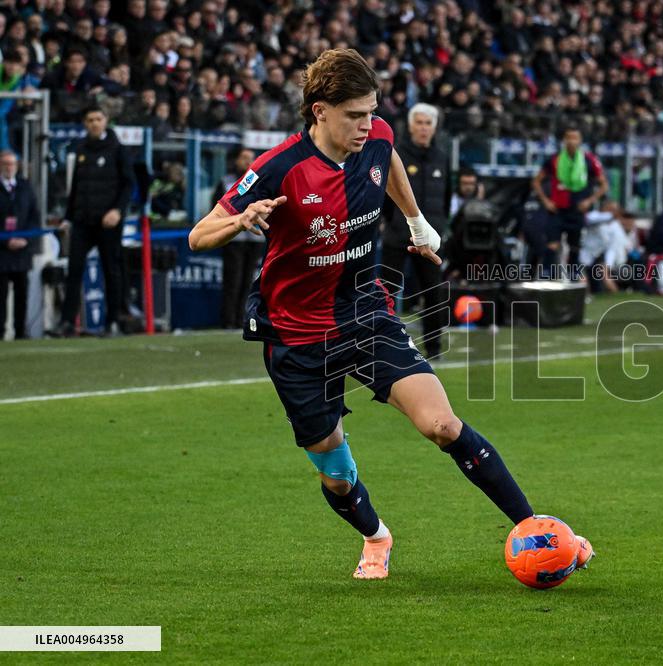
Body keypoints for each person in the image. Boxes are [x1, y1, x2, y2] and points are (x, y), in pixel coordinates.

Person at [188, 49, 592, 581]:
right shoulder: (279, 168)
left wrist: (416, 220)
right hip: (296, 334)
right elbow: (199, 235)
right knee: (333, 471)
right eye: (354, 114)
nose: (367, 123)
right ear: (319, 111)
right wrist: (242, 220)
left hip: (364, 313)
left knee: (442, 424)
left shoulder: (375, 135)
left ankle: (538, 532)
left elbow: (389, 157)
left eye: (371, 111)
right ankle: (376, 536)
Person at [378, 102, 450, 358]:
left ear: (434, 127)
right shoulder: (396, 154)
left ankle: (434, 348)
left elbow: (446, 197)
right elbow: (385, 195)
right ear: (410, 126)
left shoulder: (442, 156)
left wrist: (439, 226)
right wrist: (391, 222)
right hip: (398, 235)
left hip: (428, 239)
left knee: (434, 293)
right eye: (419, 122)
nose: (423, 128)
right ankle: (381, 345)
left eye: (428, 123)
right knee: (386, 290)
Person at [58, 106, 134, 337]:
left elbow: (129, 184)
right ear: (84, 123)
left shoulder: (118, 150)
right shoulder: (80, 149)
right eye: (89, 119)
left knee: (112, 271)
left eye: (98, 119)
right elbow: (76, 188)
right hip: (82, 220)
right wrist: (68, 217)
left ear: (106, 121)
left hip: (108, 221)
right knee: (74, 270)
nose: (94, 123)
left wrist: (118, 211)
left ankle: (113, 321)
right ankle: (67, 322)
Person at [532, 125, 608, 278]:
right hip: (557, 210)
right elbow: (536, 181)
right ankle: (547, 277)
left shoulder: (589, 160)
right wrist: (546, 201)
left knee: (575, 248)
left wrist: (589, 201)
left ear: (580, 140)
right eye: (569, 138)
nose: (572, 142)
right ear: (564, 140)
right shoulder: (555, 160)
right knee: (552, 245)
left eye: (575, 138)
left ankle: (575, 280)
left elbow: (604, 185)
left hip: (577, 211)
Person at [213, 147, 263, 329]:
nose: (247, 162)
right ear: (236, 160)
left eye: (250, 158)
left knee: (248, 281)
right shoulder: (226, 182)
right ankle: (228, 321)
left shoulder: (259, 180)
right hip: (233, 238)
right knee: (232, 281)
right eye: (244, 158)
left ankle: (241, 320)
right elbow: (215, 210)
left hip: (255, 238)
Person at [0, 150, 40, 340]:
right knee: (1, 294)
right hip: (2, 251)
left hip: (22, 251)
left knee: (22, 294)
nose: (9, 167)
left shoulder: (25, 187)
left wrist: (26, 239)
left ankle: (20, 331)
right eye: (5, 163)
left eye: (12, 163)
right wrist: (6, 240)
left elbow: (34, 216)